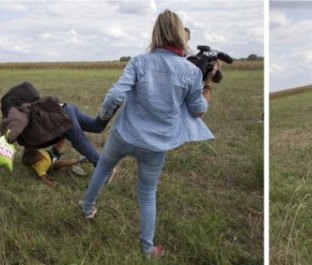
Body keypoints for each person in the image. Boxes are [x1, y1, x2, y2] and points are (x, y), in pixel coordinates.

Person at [78, 10, 215, 258]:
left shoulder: (139, 62)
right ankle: (147, 248)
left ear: (156, 33)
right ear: (180, 34)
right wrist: (208, 85)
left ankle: (87, 208)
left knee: (103, 168)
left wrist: (103, 117)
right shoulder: (191, 72)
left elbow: (115, 95)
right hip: (156, 145)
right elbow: (198, 111)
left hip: (124, 134)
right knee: (147, 194)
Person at [22, 140, 86, 188]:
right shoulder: (39, 168)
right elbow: (43, 179)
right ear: (35, 161)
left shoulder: (34, 153)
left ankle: (64, 134)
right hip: (53, 164)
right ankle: (81, 160)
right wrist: (52, 184)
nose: (40, 153)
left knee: (60, 140)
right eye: (39, 155)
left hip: (51, 153)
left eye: (39, 152)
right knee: (62, 163)